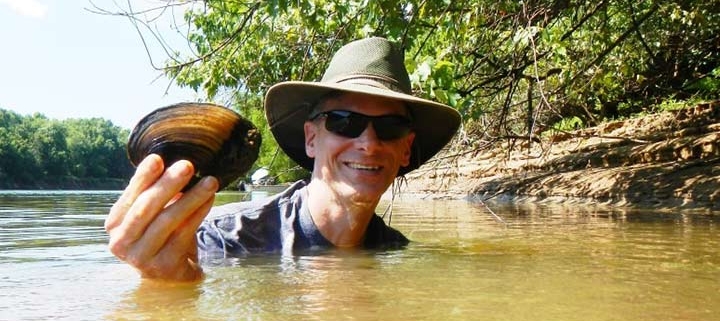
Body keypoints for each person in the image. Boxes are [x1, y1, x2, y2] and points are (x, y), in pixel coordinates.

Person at [104, 37, 461, 281]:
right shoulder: (222, 240)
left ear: (405, 148)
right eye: (345, 122)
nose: (368, 142)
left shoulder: (395, 249)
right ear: (311, 138)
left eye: (390, 127)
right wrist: (173, 282)